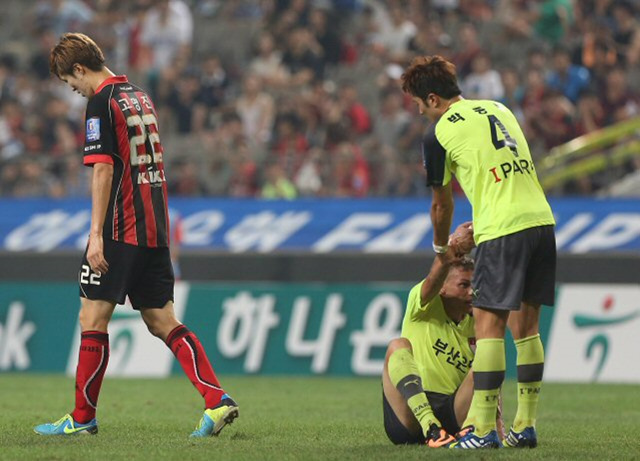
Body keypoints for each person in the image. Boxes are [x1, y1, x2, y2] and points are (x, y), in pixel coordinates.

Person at [34, 33, 238, 438]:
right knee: (163, 320)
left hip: (119, 228)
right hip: (154, 229)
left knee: (92, 318)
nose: (72, 89)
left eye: (67, 80)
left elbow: (104, 168)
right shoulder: (138, 95)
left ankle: (81, 418)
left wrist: (95, 234)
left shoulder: (101, 102)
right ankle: (216, 400)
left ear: (79, 69)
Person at [401, 55, 556, 449]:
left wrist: (441, 248)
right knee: (528, 329)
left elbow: (442, 204)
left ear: (433, 99)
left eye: (420, 106)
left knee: (489, 328)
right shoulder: (499, 108)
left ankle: (482, 429)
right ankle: (525, 425)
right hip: (541, 220)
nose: (422, 114)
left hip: (501, 229)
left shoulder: (438, 133)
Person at [383, 222, 505, 448]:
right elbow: (434, 276)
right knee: (397, 346)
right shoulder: (423, 306)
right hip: (409, 413)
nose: (472, 291)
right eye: (463, 284)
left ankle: (469, 429)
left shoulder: (477, 322)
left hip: (452, 411)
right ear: (443, 288)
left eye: (475, 284)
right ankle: (430, 427)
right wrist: (452, 246)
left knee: (489, 356)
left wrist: (499, 424)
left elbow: (491, 381)